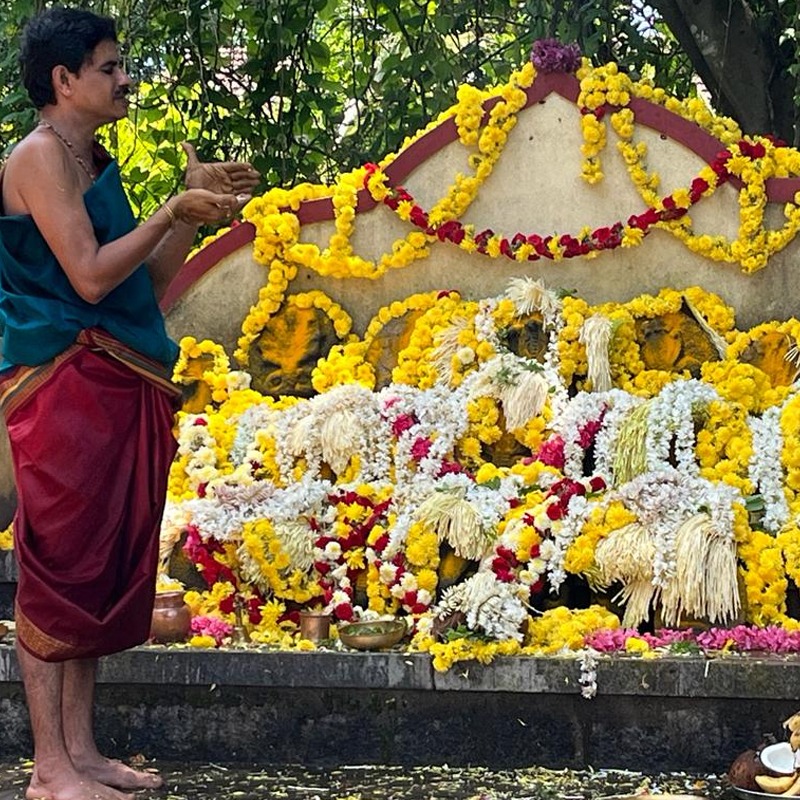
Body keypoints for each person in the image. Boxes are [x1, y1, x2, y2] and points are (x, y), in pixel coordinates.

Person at [0, 7, 259, 800]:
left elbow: (140, 285)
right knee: (59, 567)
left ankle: (82, 754)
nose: (125, 79)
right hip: (56, 380)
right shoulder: (39, 157)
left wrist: (191, 212)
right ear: (63, 79)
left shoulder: (90, 159)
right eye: (109, 67)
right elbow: (85, 276)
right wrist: (167, 212)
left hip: (109, 375)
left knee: (99, 567)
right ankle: (49, 771)